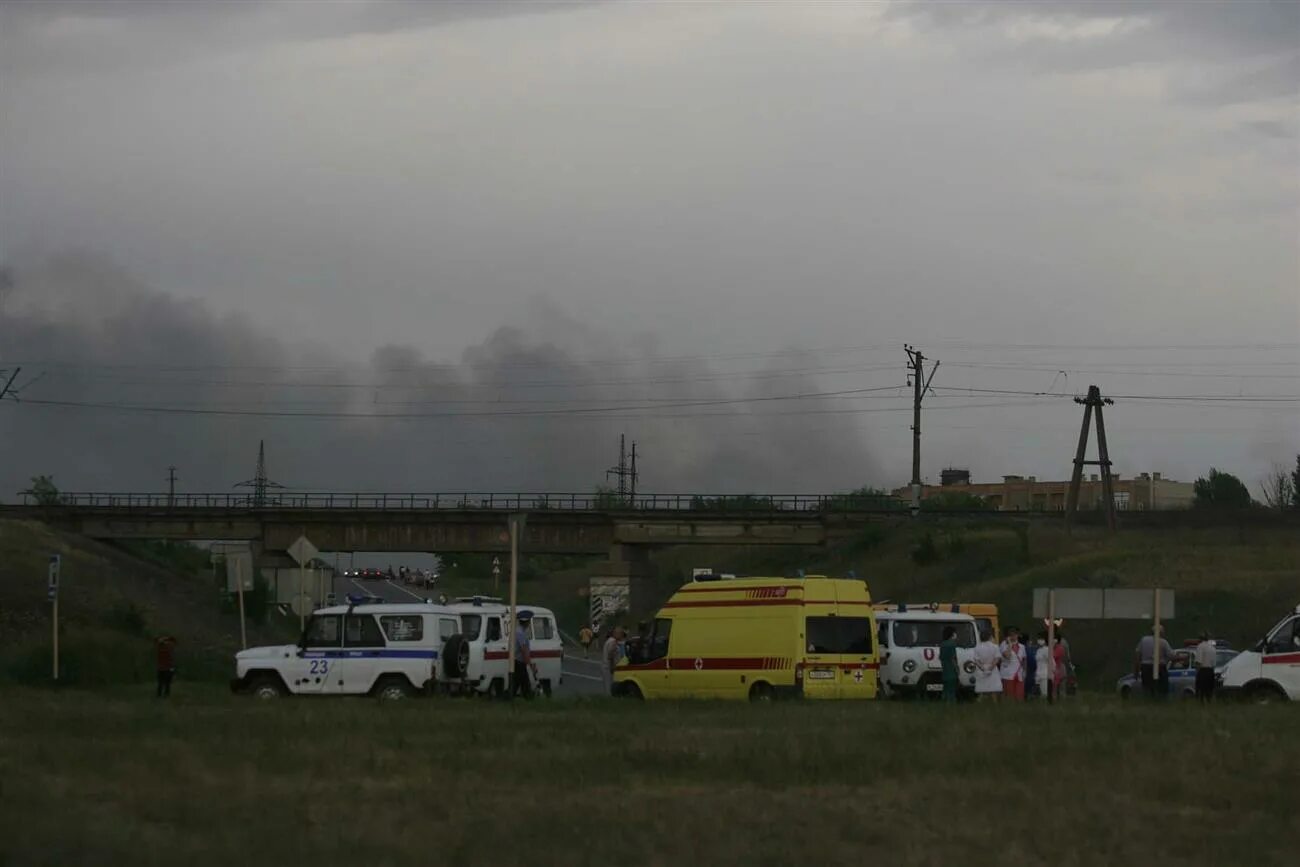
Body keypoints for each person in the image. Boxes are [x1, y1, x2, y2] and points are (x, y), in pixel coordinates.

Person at [1135, 626, 1175, 699]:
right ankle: (1160, 702)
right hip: (1160, 667)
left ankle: (1148, 702)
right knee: (1162, 688)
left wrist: (1136, 670)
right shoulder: (1163, 642)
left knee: (1147, 688)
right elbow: (1171, 656)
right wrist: (1180, 658)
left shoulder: (1144, 640)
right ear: (1161, 632)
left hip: (1145, 667)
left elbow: (1138, 656)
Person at [512, 610, 536, 700]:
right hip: (519, 662)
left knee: (521, 684)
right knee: (521, 684)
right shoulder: (520, 633)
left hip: (518, 662)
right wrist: (530, 664)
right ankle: (528, 698)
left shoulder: (518, 631)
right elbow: (524, 649)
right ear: (526, 622)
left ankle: (527, 698)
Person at [973, 628, 1003, 702]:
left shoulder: (977, 647)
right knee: (993, 689)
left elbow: (976, 660)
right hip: (992, 669)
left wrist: (983, 669)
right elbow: (997, 659)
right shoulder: (995, 646)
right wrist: (990, 669)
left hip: (982, 669)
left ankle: (979, 705)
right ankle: (995, 704)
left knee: (982, 690)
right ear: (990, 637)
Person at [999, 627, 1026, 701]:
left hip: (1019, 673)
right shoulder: (1003, 645)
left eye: (1015, 634)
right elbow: (1007, 656)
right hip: (1008, 673)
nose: (1013, 636)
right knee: (1009, 695)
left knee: (1019, 694)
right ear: (1008, 636)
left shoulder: (1022, 646)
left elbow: (1024, 659)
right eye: (1011, 635)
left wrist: (1024, 671)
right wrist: (1010, 644)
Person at [939, 625, 960, 703]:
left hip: (945, 669)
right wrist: (957, 668)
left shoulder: (942, 644)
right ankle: (951, 702)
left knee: (946, 688)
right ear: (952, 634)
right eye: (955, 633)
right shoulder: (952, 644)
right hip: (951, 669)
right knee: (952, 689)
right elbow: (953, 658)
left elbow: (941, 657)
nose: (956, 635)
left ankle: (945, 701)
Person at [1194, 631, 1217, 703]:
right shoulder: (1213, 648)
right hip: (1211, 671)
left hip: (1203, 671)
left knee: (1201, 691)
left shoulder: (1200, 647)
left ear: (1200, 639)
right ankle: (1209, 703)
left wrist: (1197, 674)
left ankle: (1201, 704)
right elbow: (1214, 664)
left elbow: (1198, 662)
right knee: (1209, 691)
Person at [602, 626, 625, 696]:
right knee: (610, 688)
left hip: (606, 667)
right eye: (621, 634)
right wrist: (612, 667)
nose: (622, 636)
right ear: (615, 634)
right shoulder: (613, 642)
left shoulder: (610, 640)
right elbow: (611, 654)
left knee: (608, 687)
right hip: (609, 668)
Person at [1034, 632, 1053, 703]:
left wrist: (1051, 674)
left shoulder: (1047, 650)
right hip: (1038, 674)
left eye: (1041, 639)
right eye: (1039, 638)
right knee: (1039, 695)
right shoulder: (1038, 650)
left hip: (1045, 675)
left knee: (1045, 694)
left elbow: (1052, 662)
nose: (1039, 640)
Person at [1052, 634, 1069, 701]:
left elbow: (1053, 657)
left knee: (1058, 689)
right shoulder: (1064, 642)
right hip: (1061, 667)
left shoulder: (1060, 647)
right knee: (1060, 688)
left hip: (1058, 669)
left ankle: (1059, 702)